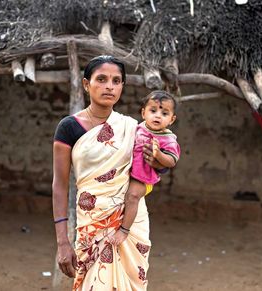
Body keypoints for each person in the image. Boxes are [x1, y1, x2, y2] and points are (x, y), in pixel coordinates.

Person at [52, 55, 161, 290]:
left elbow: (152, 173)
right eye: (101, 79)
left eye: (116, 80)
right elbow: (60, 185)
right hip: (92, 222)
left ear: (122, 86)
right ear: (86, 84)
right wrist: (62, 241)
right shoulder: (69, 127)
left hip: (131, 224)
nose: (109, 86)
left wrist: (141, 189)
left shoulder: (134, 129)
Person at [108, 91, 180, 246]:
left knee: (132, 197)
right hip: (126, 173)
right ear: (143, 113)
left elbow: (171, 160)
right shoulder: (136, 128)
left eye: (164, 113)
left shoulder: (167, 139)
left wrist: (158, 155)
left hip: (142, 179)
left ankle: (124, 230)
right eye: (153, 111)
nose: (158, 116)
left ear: (172, 119)